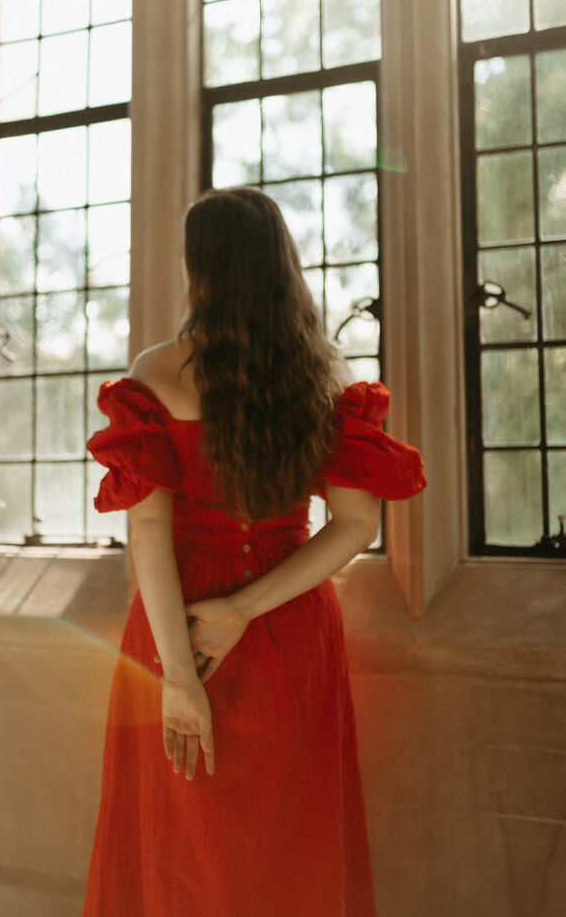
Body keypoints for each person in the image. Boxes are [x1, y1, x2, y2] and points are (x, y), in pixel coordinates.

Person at [82, 187, 426, 917]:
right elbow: (354, 525)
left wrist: (177, 677)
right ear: (282, 265)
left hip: (178, 617)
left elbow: (146, 532)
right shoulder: (326, 376)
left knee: (182, 843)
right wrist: (241, 609)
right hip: (287, 618)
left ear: (196, 266)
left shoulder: (156, 371)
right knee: (284, 840)